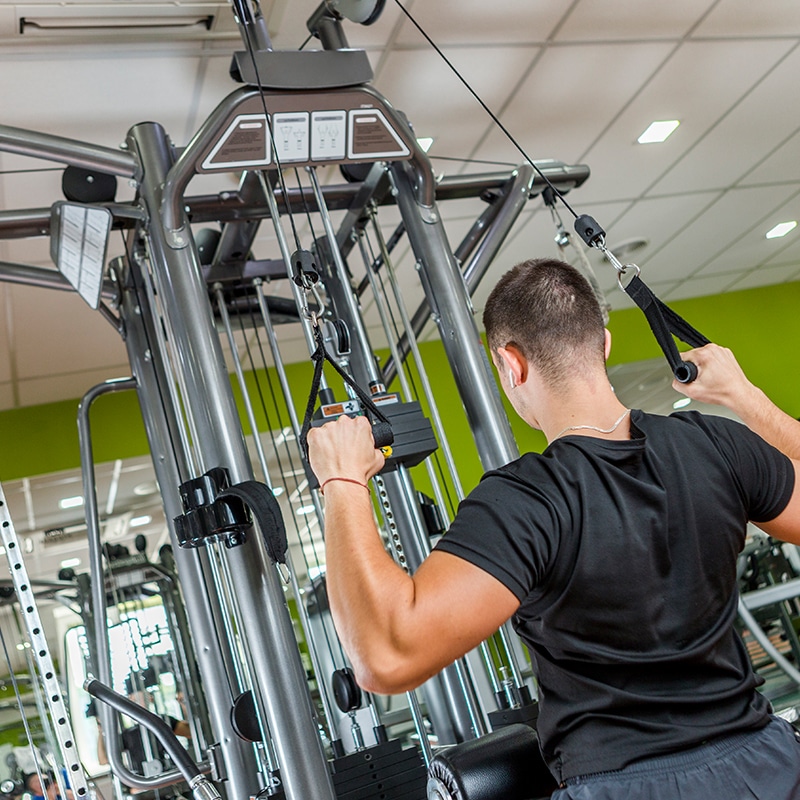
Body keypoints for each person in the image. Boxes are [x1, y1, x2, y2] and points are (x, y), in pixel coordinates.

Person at [306, 257, 800, 799]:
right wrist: (743, 396)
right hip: (770, 766)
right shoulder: (716, 444)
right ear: (604, 344)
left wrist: (342, 481)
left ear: (510, 364)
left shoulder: (528, 498)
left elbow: (386, 657)